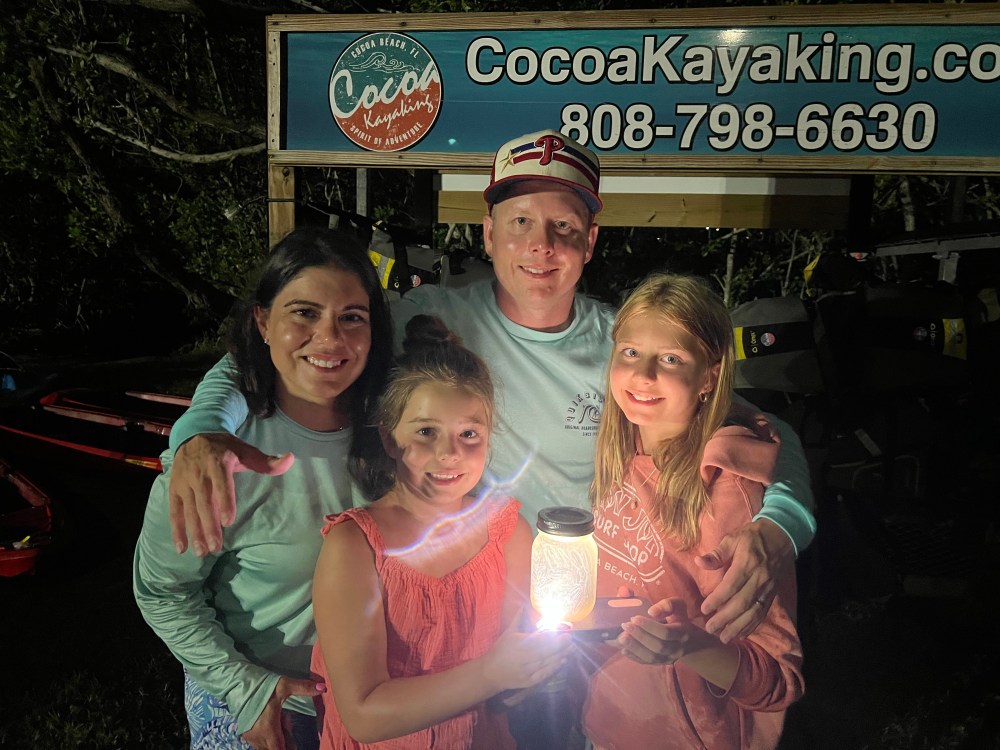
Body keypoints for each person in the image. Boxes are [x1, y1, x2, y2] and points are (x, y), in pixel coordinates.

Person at [164, 128, 816, 643]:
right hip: (455, 599)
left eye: (563, 227)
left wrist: (781, 525)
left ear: (590, 241)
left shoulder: (626, 346)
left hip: (586, 605)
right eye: (520, 222)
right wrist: (200, 431)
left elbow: (760, 427)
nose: (541, 245)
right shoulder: (433, 319)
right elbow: (286, 348)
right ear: (488, 232)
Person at [133, 227, 393, 750]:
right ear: (262, 321)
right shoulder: (213, 458)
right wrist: (242, 686)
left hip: (381, 701)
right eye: (303, 313)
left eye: (351, 318)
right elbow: (164, 591)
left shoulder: (402, 428)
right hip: (265, 701)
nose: (330, 338)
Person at [310, 314, 570, 748]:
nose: (450, 453)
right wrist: (493, 674)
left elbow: (509, 677)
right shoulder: (355, 546)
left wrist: (532, 673)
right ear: (390, 439)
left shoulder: (509, 533)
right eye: (427, 432)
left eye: (469, 433)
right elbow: (363, 714)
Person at [581, 273, 804, 749]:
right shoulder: (621, 449)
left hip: (691, 735)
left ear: (710, 375)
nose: (643, 375)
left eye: (671, 359)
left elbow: (777, 679)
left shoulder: (731, 494)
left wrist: (688, 645)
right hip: (607, 722)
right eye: (631, 352)